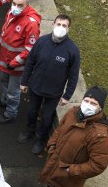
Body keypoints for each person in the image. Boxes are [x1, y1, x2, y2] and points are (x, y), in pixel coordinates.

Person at [19, 14, 81, 155]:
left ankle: (41, 139)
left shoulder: (72, 50)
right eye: (58, 24)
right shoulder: (41, 42)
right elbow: (30, 63)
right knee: (31, 111)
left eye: (64, 25)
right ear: (53, 24)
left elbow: (73, 75)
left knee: (47, 117)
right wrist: (24, 81)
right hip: (35, 87)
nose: (61, 27)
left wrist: (67, 95)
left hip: (54, 92)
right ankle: (29, 130)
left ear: (68, 29)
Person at [0, 0, 41, 124]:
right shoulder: (12, 12)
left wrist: (15, 63)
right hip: (6, 59)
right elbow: (4, 30)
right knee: (4, 82)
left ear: (26, 5)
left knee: (13, 91)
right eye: (14, 4)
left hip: (17, 66)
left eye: (20, 5)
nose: (16, 7)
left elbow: (30, 48)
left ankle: (10, 114)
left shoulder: (31, 24)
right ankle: (4, 101)